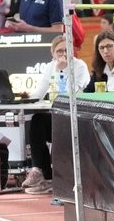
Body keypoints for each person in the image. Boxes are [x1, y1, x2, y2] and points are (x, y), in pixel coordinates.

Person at [22, 35, 90, 194]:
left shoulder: (80, 66)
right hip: (56, 116)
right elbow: (41, 91)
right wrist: (26, 97)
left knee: (42, 121)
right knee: (37, 120)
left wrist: (61, 70)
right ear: (52, 53)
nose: (63, 54)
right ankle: (41, 172)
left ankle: (47, 176)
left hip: (74, 117)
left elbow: (69, 94)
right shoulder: (49, 66)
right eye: (59, 51)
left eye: (67, 50)